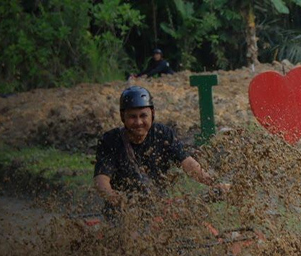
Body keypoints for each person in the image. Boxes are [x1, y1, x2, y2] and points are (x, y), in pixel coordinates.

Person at [94, 86, 228, 216]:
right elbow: (101, 179)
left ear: (152, 114)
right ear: (123, 117)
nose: (139, 122)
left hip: (157, 207)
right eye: (132, 117)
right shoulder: (110, 140)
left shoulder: (163, 134)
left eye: (143, 116)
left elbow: (188, 163)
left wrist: (213, 183)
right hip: (122, 211)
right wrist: (116, 200)